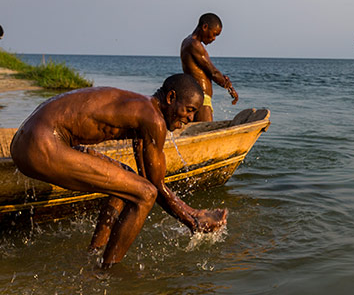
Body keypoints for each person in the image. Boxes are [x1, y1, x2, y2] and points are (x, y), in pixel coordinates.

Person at [10, 74, 228, 268]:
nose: (190, 119)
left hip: (25, 140)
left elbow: (149, 179)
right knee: (144, 195)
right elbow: (155, 190)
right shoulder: (153, 120)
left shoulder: (144, 109)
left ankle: (94, 252)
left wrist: (192, 214)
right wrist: (194, 221)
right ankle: (109, 271)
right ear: (171, 98)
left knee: (127, 179)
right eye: (189, 110)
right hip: (40, 144)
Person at [181, 13, 239, 121]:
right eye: (214, 34)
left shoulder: (187, 42)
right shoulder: (194, 45)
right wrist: (230, 88)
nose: (214, 38)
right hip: (200, 98)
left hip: (194, 96)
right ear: (205, 27)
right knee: (206, 132)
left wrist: (222, 78)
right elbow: (213, 73)